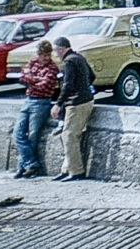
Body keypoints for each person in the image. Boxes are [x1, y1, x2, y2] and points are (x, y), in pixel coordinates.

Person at [50, 37, 95, 182]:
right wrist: (84, 88)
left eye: (56, 51)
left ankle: (76, 172)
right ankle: (67, 169)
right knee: (69, 136)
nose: (55, 54)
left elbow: (67, 85)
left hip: (76, 104)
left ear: (61, 49)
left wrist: (58, 103)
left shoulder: (68, 62)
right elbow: (92, 76)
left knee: (69, 137)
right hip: (86, 100)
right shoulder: (79, 57)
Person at [14, 40, 59, 178]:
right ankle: (31, 164)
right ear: (38, 54)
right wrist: (35, 79)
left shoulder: (53, 68)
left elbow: (44, 86)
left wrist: (31, 79)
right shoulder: (32, 62)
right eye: (43, 55)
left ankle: (23, 168)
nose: (46, 58)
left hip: (41, 103)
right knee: (18, 133)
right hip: (29, 100)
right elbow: (22, 77)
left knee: (33, 135)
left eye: (48, 55)